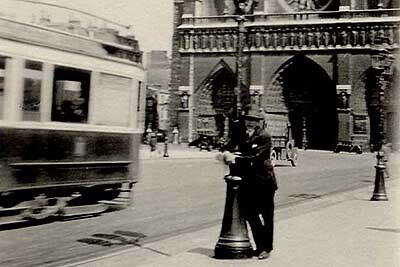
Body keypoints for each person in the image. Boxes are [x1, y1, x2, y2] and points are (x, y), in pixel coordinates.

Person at [223, 114, 277, 260]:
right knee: (250, 214)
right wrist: (226, 152)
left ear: (252, 126)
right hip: (251, 182)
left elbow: (257, 158)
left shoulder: (264, 137)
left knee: (267, 216)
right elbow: (230, 146)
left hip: (265, 182)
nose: (245, 132)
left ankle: (267, 248)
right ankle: (260, 246)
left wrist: (237, 158)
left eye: (247, 127)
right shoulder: (244, 136)